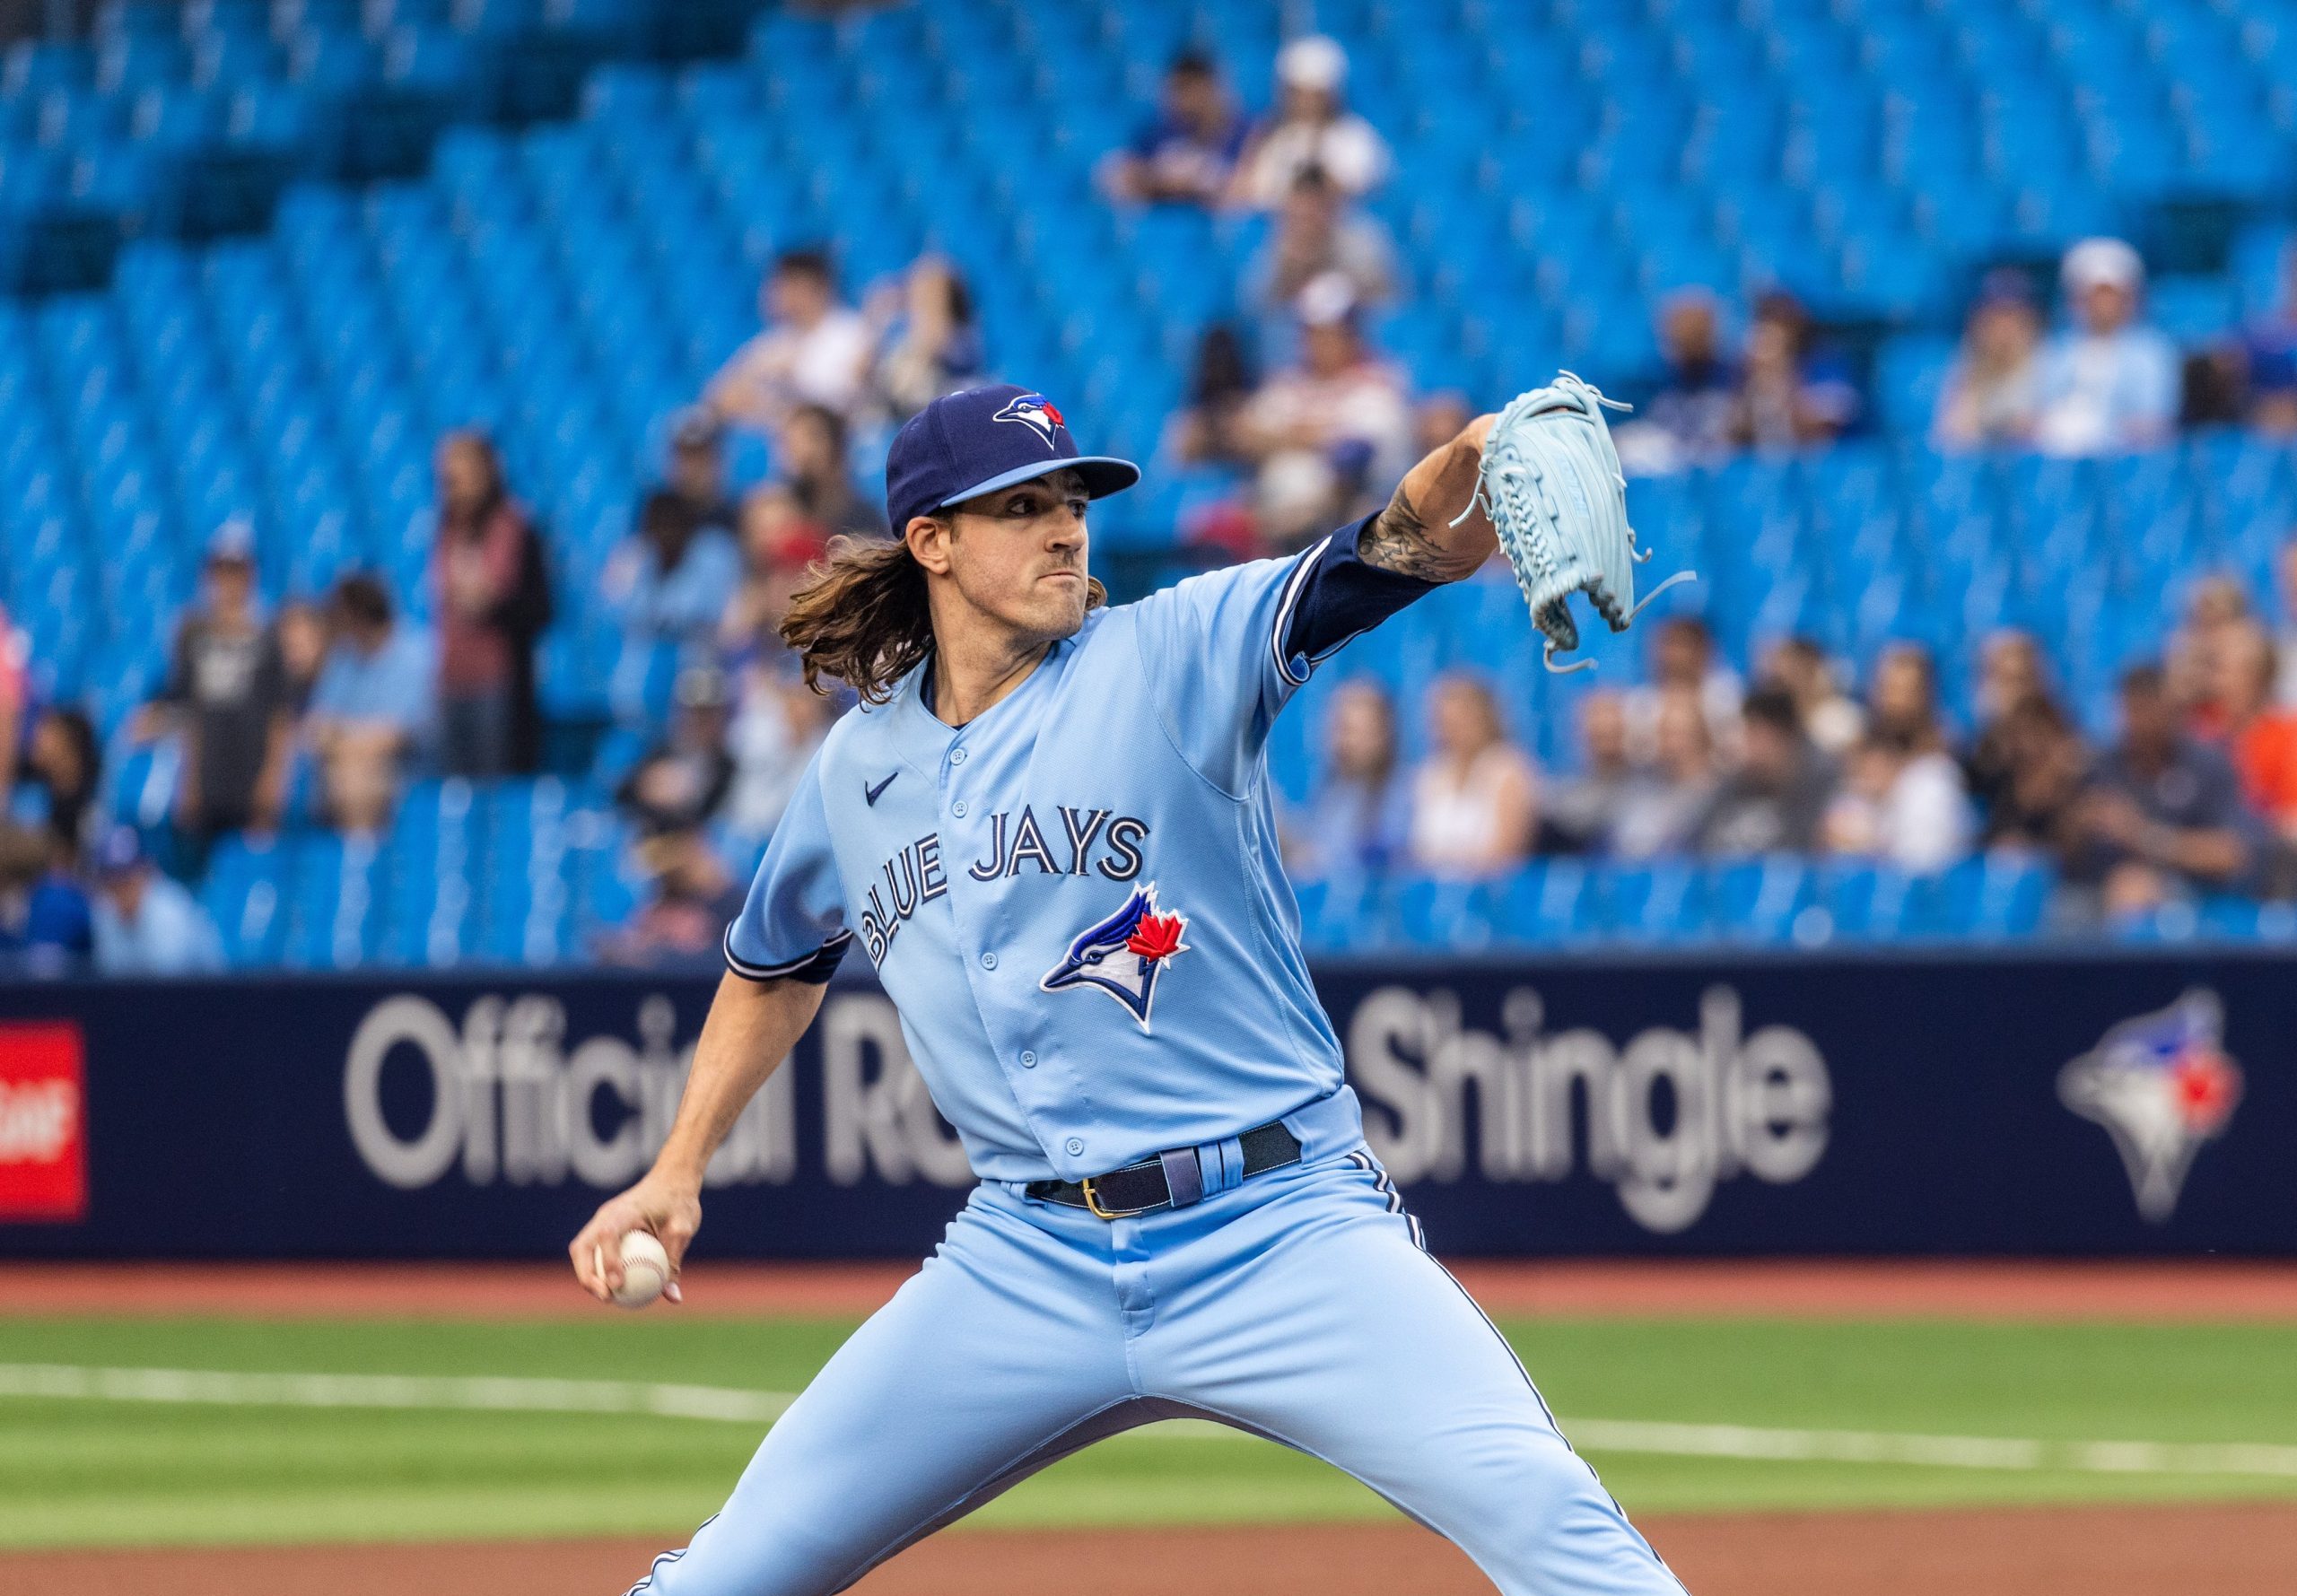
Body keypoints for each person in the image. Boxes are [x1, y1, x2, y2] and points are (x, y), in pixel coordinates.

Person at [570, 381, 1689, 1596]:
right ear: (931, 542)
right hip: (1025, 1255)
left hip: (1280, 1227)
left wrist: (1470, 460)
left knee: (1550, 1516)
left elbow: (1387, 555)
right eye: (1021, 505)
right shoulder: (858, 765)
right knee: (726, 1574)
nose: (1065, 526)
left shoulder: (1174, 652)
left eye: (1074, 500)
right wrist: (677, 1164)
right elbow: (774, 961)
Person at [136, 520, 293, 857]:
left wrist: (272, 779)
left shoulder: (268, 637)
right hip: (208, 776)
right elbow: (188, 711)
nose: (229, 581)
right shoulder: (195, 638)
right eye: (221, 570)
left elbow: (281, 715)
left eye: (237, 571)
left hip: (251, 774)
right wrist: (188, 780)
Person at [1234, 273, 1414, 551]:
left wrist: (1284, 437)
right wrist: (1311, 437)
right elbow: (1244, 436)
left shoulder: (1377, 382)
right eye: (1312, 331)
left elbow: (1354, 454)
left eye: (1331, 331)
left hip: (1340, 519)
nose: (1319, 341)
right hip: (1272, 512)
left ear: (1352, 332)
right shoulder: (1289, 383)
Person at [2068, 663, 2258, 916]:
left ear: (2169, 710)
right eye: (2133, 711)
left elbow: (2230, 854)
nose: (2141, 723)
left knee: (2134, 891)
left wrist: (2143, 835)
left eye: (2149, 710)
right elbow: (2063, 850)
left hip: (2190, 895)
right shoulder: (2100, 767)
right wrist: (2075, 824)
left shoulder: (2207, 765)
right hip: (2095, 893)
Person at [607, 421, 745, 732]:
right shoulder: (650, 512)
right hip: (646, 676)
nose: (692, 467)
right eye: (685, 456)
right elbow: (618, 592)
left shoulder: (730, 518)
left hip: (704, 666)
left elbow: (729, 610)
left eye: (701, 456)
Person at [430, 432, 546, 776]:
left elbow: (538, 609)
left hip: (499, 683)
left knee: (496, 788)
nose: (451, 486)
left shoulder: (516, 529)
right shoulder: (447, 529)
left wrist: (490, 604)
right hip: (452, 680)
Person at [305, 573, 433, 835]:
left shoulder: (415, 655)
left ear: (358, 616)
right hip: (340, 766)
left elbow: (395, 736)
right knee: (340, 774)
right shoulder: (343, 660)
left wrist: (343, 742)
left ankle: (360, 868)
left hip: (403, 772)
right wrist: (349, 744)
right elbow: (316, 728)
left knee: (354, 778)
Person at [2031, 238, 2179, 458]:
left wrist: (2099, 431)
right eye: (2094, 295)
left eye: (2110, 295)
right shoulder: (2055, 350)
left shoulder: (2152, 353)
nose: (2103, 305)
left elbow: (2154, 421)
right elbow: (2037, 410)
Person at [705, 249, 874, 440]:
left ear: (810, 285)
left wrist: (791, 377)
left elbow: (844, 399)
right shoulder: (775, 341)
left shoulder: (850, 332)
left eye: (783, 284)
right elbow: (720, 396)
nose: (773, 293)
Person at [1231, 34, 1391, 209]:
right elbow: (1250, 193)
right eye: (1297, 93)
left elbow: (1358, 192)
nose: (1304, 102)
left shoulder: (1356, 137)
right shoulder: (1274, 136)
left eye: (1313, 94)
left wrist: (1315, 161)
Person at [1408, 672, 1539, 878]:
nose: (1451, 731)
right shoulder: (1430, 773)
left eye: (1461, 721)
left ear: (1484, 718)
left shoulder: (1509, 769)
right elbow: (1418, 850)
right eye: (1444, 723)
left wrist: (1450, 862)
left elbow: (1508, 852)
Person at [1243, 163, 1397, 328]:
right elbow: (1254, 307)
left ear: (1328, 207)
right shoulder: (1280, 246)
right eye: (1299, 211)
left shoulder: (1358, 241)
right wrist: (1292, 268)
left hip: (1354, 332)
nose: (1307, 218)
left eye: (1313, 209)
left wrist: (1345, 293)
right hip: (1299, 340)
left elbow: (1387, 300)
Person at [1285, 677, 1410, 880]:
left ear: (1381, 733)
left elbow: (1386, 857)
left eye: (1349, 730)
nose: (1341, 742)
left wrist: (1318, 859)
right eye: (1336, 730)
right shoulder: (1334, 791)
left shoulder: (1402, 792)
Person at [1693, 685, 1832, 856]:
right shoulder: (1735, 784)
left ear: (1786, 737)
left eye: (1760, 735)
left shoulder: (1819, 785)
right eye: (1749, 733)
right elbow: (1699, 841)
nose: (1750, 745)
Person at [1101, 48, 1248, 206]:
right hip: (1161, 222)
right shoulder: (1157, 132)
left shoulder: (1245, 134)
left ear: (1209, 88)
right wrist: (1161, 181)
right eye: (1177, 90)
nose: (1183, 101)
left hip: (1220, 224)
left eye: (1189, 89)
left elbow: (1248, 190)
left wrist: (1200, 181)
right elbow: (1113, 175)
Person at [1614, 289, 1736, 474]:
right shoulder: (1653, 380)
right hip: (1669, 454)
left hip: (1715, 460)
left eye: (1697, 330)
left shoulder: (1734, 378)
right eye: (1680, 330)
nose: (1688, 338)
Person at [597, 827, 747, 970]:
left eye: (674, 869)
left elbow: (732, 964)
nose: (667, 877)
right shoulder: (662, 902)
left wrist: (654, 957)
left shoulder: (740, 905)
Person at [1729, 291, 1861, 449]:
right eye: (1771, 319)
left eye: (1786, 319)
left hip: (1817, 460)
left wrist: (1785, 380)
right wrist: (1756, 382)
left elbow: (1838, 414)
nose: (1782, 326)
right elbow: (1735, 434)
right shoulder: (1746, 378)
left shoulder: (1826, 361)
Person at [89, 824, 223, 976]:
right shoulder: (103, 912)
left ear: (146, 872)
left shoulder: (170, 912)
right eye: (112, 882)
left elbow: (166, 990)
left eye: (127, 880)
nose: (120, 890)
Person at [617, 667, 737, 838]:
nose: (698, 720)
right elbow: (621, 794)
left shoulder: (727, 764)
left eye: (707, 712)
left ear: (720, 715)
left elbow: (716, 815)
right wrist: (648, 787)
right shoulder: (662, 751)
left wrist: (689, 795)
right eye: (692, 711)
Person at [865, 256, 987, 423]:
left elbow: (949, 356)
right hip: (904, 413)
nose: (920, 297)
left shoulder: (964, 337)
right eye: (917, 290)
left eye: (930, 292)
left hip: (949, 409)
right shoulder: (901, 336)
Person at [1932, 273, 2044, 449]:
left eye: (2012, 318)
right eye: (1996, 319)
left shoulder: (2050, 363)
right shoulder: (1968, 365)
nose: (2004, 329)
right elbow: (1951, 435)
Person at [1611, 687, 1721, 859]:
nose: (1671, 744)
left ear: (1702, 737)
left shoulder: (1718, 795)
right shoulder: (1642, 789)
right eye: (1664, 733)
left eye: (1680, 734)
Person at [2214, 621, 2297, 839]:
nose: (2219, 683)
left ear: (2259, 679)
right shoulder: (2203, 734)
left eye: (2226, 671)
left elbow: (2291, 820)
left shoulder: (2287, 735)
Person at [1623, 613, 1742, 763]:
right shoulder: (1641, 701)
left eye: (1681, 645)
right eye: (1667, 645)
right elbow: (1636, 758)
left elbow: (1733, 754)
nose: (1672, 655)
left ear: (1701, 650)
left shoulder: (1725, 695)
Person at [1540, 688, 1632, 853]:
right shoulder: (1566, 794)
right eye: (1598, 731)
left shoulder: (1653, 788)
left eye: (1613, 728)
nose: (1605, 728)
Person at [778, 403, 886, 540]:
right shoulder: (781, 515)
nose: (804, 451)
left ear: (836, 444)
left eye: (813, 438)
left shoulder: (864, 517)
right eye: (793, 441)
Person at [1759, 635, 1861, 756]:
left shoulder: (1842, 719)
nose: (1790, 684)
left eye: (1796, 672)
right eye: (1779, 679)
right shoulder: (1767, 723)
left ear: (1813, 670)